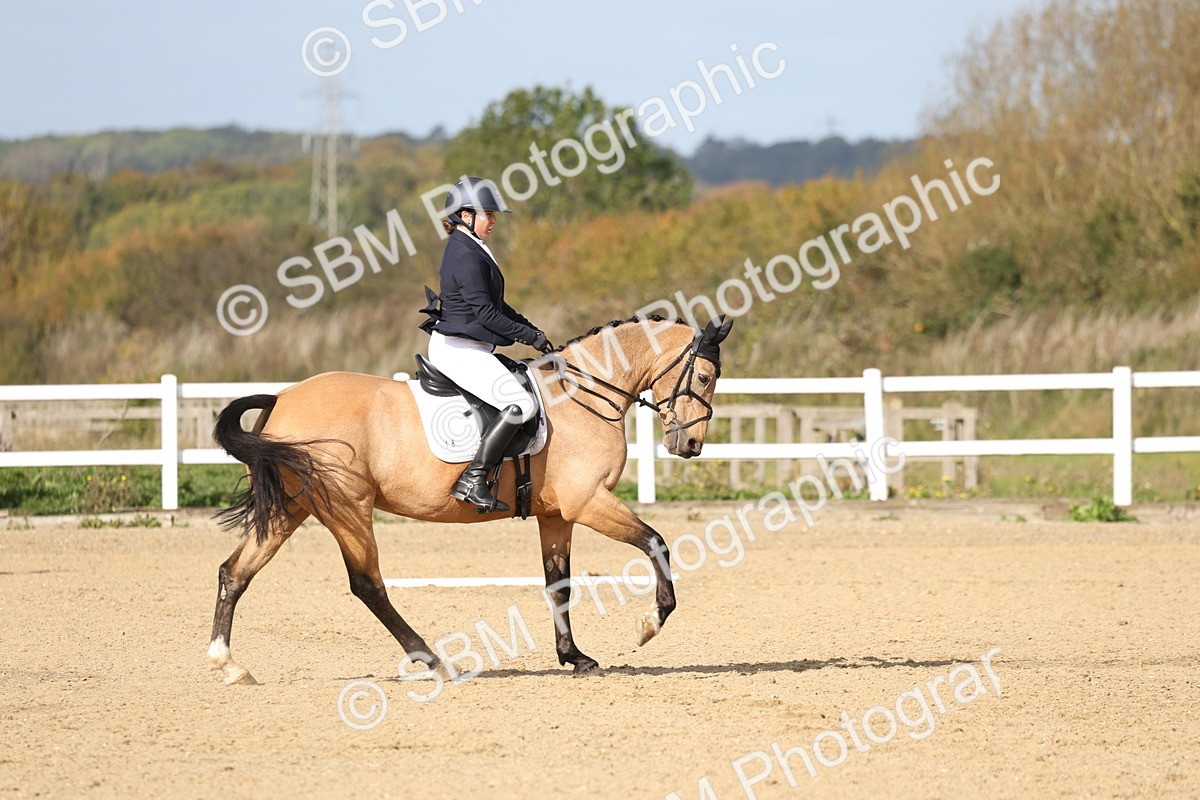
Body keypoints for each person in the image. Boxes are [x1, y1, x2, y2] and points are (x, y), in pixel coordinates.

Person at [418, 176, 555, 513]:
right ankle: (474, 478)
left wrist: (532, 330)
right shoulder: (465, 254)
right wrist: (527, 336)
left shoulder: (472, 247)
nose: (494, 221)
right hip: (458, 350)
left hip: (469, 345)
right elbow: (486, 313)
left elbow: (497, 306)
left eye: (494, 215)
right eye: (488, 214)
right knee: (521, 405)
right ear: (465, 215)